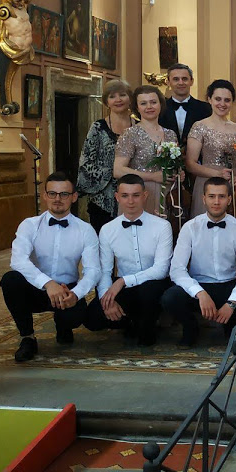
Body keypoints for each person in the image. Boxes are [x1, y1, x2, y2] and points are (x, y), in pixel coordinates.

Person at [0, 172, 100, 362]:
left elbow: (93, 270)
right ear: (45, 195)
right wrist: (48, 283)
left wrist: (76, 294)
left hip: (67, 291)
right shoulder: (29, 225)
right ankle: (28, 337)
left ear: (74, 197)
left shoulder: (85, 230)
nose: (57, 199)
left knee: (74, 317)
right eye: (52, 193)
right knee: (10, 280)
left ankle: (63, 325)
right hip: (37, 289)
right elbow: (18, 260)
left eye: (64, 194)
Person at [162, 177, 236, 347]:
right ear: (203, 198)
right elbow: (177, 270)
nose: (216, 202)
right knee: (170, 298)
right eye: (211, 196)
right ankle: (191, 327)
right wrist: (200, 293)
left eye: (221, 196)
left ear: (229, 199)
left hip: (228, 285)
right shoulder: (190, 227)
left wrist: (231, 303)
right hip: (199, 284)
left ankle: (231, 324)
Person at [84, 174, 173, 346]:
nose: (130, 201)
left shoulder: (162, 226)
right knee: (92, 319)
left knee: (148, 292)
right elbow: (105, 271)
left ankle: (146, 326)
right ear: (117, 197)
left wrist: (123, 281)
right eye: (125, 196)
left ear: (145, 196)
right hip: (126, 287)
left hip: (154, 284)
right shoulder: (107, 230)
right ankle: (130, 321)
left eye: (136, 195)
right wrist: (106, 300)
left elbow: (161, 270)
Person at [185, 80, 236, 218]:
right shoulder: (200, 126)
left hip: (235, 184)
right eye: (218, 99)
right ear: (209, 99)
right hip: (209, 182)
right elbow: (190, 164)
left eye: (227, 100)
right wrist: (217, 174)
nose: (222, 104)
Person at [77, 80, 134, 232]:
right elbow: (86, 163)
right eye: (112, 96)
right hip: (101, 200)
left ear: (130, 99)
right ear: (106, 102)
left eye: (122, 95)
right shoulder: (97, 127)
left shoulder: (138, 127)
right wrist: (113, 173)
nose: (118, 100)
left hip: (133, 196)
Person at [114, 85, 179, 215]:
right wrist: (152, 177)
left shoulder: (170, 134)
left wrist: (177, 173)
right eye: (143, 103)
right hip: (140, 193)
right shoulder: (130, 134)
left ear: (160, 104)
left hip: (168, 194)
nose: (149, 107)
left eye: (153, 102)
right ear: (137, 108)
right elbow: (118, 170)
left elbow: (173, 165)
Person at [158, 63, 212, 146]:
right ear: (168, 82)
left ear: (191, 81)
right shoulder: (160, 108)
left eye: (184, 79)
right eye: (176, 79)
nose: (181, 82)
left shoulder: (206, 108)